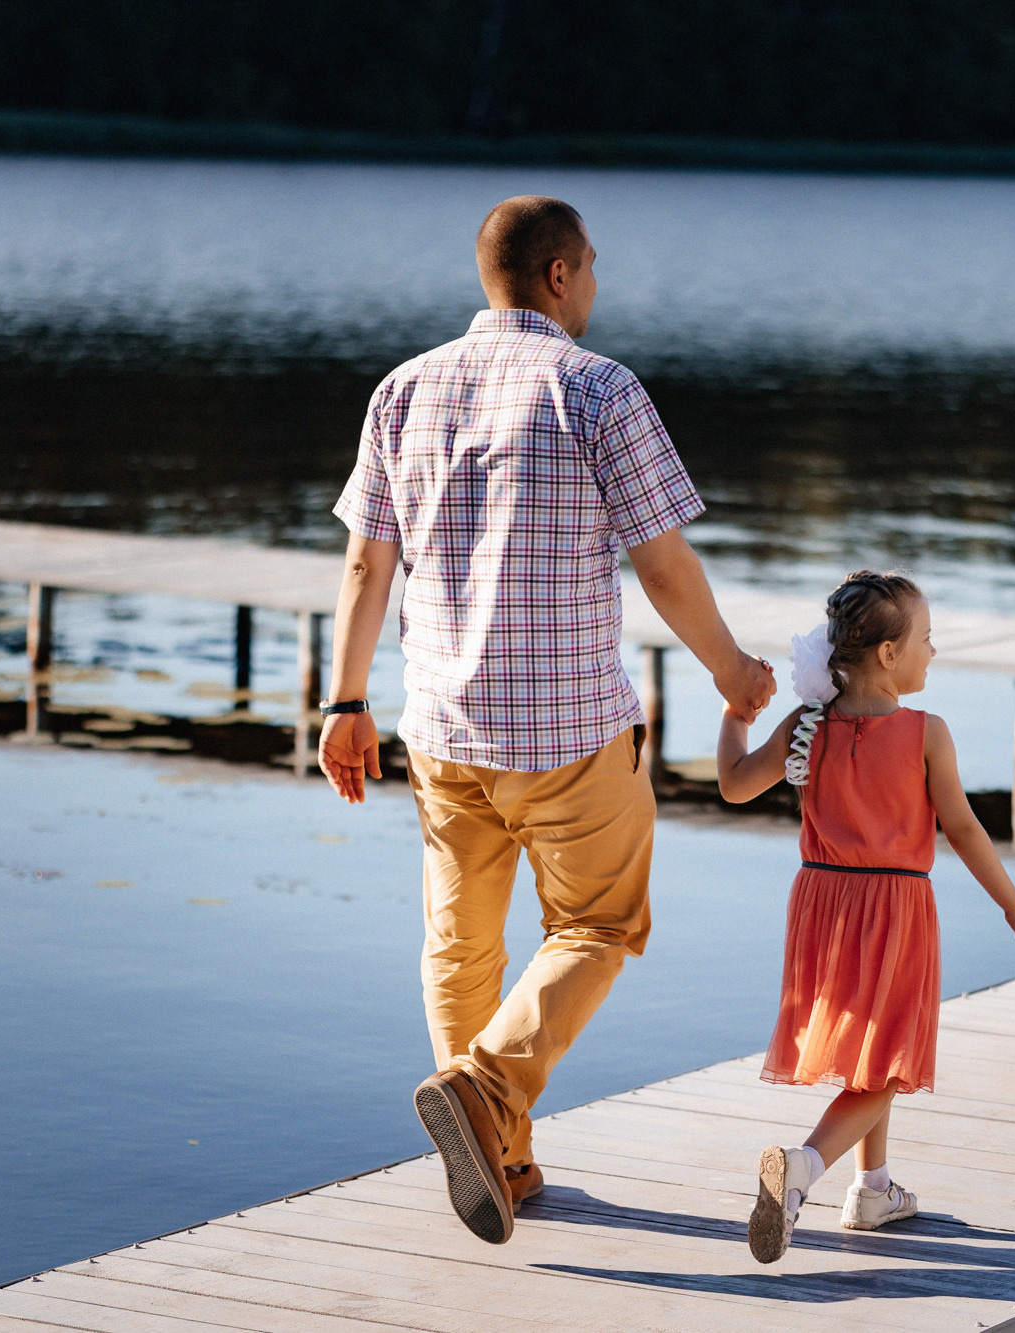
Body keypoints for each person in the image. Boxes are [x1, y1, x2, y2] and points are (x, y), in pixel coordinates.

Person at [319, 195, 777, 1246]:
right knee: (600, 926)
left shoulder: (402, 389)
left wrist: (343, 702)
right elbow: (661, 564)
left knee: (459, 941)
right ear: (560, 275)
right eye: (594, 268)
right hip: (569, 731)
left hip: (439, 725)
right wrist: (733, 670)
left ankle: (506, 1158)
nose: (598, 286)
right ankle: (485, 1093)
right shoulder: (598, 387)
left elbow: (364, 563)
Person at [715, 570, 1015, 1263]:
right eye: (927, 638)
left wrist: (733, 716)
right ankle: (805, 1168)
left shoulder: (808, 726)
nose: (935, 649)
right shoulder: (928, 733)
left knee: (871, 1049)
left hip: (821, 904)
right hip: (895, 906)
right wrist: (1013, 906)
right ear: (890, 653)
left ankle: (873, 1188)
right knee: (890, 1063)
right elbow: (963, 828)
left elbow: (734, 785)